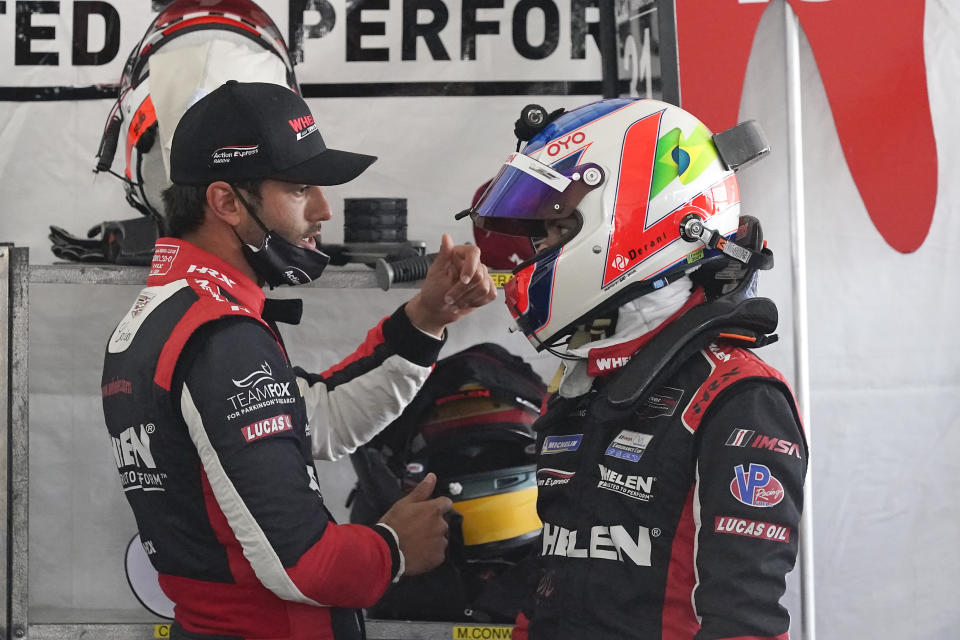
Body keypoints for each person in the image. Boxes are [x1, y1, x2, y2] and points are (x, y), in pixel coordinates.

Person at [101, 80, 496, 640]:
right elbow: (302, 563)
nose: (323, 210)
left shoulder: (170, 314)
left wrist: (428, 316)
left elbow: (319, 418)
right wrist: (393, 548)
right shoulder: (220, 336)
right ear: (226, 202)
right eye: (301, 188)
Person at [463, 98, 808, 639]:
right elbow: (551, 585)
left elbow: (745, 624)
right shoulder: (584, 379)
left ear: (632, 221)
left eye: (557, 229)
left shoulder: (738, 396)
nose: (541, 248)